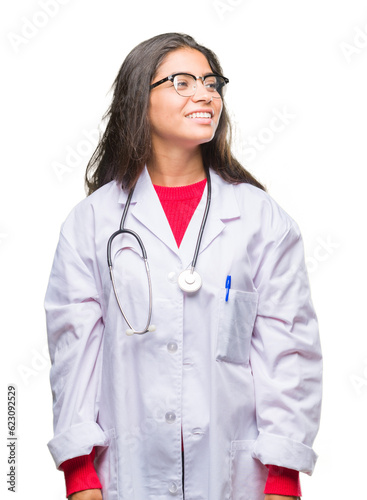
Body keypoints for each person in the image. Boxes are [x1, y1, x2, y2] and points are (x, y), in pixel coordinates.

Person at [45, 32, 322, 500]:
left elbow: (288, 349)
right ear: (139, 98)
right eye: (182, 81)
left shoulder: (259, 217)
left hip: (235, 475)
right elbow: (74, 351)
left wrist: (282, 477)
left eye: (212, 82)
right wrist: (79, 475)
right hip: (125, 474)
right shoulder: (92, 221)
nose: (205, 94)